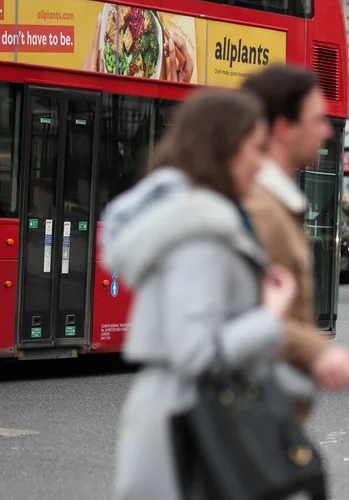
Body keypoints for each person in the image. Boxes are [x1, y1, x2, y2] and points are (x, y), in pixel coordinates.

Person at [102, 89, 295, 499]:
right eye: (256, 148)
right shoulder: (200, 233)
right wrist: (271, 316)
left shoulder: (194, 219)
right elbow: (197, 352)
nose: (262, 162)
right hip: (192, 430)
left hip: (182, 421)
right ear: (224, 147)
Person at [241, 66, 349, 397]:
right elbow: (239, 317)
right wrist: (319, 351)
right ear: (284, 128)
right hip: (245, 410)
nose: (326, 131)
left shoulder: (277, 203)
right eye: (317, 120)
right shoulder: (260, 210)